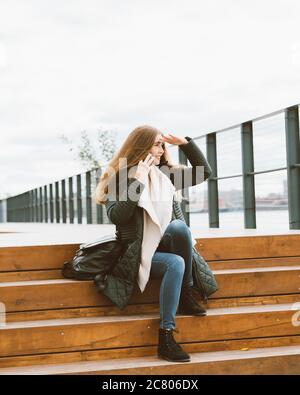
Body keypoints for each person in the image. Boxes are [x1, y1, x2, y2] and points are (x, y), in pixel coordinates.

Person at [94, 125, 217, 363]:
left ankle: (182, 296)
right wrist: (137, 181)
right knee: (176, 263)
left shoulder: (165, 174)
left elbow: (203, 173)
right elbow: (117, 217)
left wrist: (185, 143)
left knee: (179, 228)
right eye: (156, 144)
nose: (161, 150)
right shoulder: (120, 175)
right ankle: (167, 337)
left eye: (163, 145)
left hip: (165, 242)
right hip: (138, 251)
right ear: (141, 145)